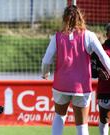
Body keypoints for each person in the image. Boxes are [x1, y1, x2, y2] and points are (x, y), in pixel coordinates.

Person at [41, 5, 110, 135]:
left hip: (61, 85)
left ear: (64, 19)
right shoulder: (89, 35)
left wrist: (45, 73)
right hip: (81, 87)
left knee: (59, 117)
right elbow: (103, 56)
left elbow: (46, 60)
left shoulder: (57, 37)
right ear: (80, 17)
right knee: (82, 124)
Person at [91, 23, 110, 135]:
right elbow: (92, 71)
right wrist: (99, 72)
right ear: (107, 34)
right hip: (105, 91)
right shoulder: (100, 50)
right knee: (104, 120)